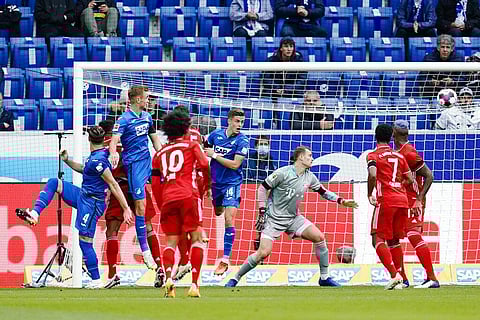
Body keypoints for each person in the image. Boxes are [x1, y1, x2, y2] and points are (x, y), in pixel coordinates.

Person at [16, 126, 133, 289]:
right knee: (54, 182)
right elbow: (84, 169)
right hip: (83, 195)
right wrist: (67, 160)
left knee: (84, 241)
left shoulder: (97, 161)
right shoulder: (98, 156)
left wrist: (126, 207)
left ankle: (96, 280)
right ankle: (35, 213)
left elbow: (113, 183)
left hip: (92, 203)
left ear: (88, 139)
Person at [225, 146, 358, 288]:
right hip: (273, 219)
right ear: (300, 157)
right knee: (263, 252)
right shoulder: (283, 173)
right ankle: (235, 278)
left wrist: (341, 200)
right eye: (309, 155)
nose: (312, 158)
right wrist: (262, 212)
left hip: (294, 218)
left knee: (319, 237)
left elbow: (323, 192)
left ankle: (324, 277)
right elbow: (262, 188)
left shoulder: (309, 176)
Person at [98, 120, 165, 289]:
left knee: (112, 230)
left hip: (118, 187)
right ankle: (160, 268)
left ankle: (112, 274)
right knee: (148, 226)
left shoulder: (105, 149)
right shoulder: (132, 140)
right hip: (138, 186)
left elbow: (103, 171)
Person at [151, 110, 211, 298]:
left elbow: (155, 184)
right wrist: (208, 186)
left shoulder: (159, 153)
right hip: (188, 196)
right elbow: (205, 165)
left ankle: (169, 278)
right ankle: (194, 284)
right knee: (197, 239)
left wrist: (162, 204)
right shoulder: (192, 146)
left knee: (170, 242)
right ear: (185, 128)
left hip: (168, 199)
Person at [109, 85, 163, 270]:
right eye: (146, 98)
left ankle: (156, 260)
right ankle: (145, 251)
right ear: (138, 99)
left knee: (149, 205)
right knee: (140, 206)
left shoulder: (148, 118)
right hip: (133, 167)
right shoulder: (123, 120)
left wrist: (164, 156)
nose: (149, 100)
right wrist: (113, 153)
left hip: (147, 163)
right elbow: (114, 140)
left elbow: (155, 140)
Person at [367, 124, 416, 290]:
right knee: (394, 240)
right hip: (402, 201)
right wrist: (398, 185)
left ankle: (394, 275)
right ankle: (403, 278)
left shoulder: (373, 155)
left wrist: (369, 193)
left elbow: (373, 174)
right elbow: (410, 179)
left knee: (377, 238)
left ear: (375, 136)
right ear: (390, 138)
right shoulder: (399, 156)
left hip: (386, 200)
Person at [392, 120, 440, 289]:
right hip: (400, 200)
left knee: (413, 235)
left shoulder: (409, 153)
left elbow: (429, 175)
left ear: (394, 134)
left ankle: (432, 278)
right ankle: (403, 280)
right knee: (392, 237)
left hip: (412, 201)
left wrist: (419, 199)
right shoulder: (397, 152)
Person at [204, 108, 249, 276]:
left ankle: (224, 259)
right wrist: (206, 183)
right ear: (229, 120)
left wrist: (214, 155)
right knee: (218, 211)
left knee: (229, 217)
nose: (239, 125)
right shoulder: (215, 135)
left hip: (232, 182)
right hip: (216, 183)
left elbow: (235, 165)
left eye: (242, 122)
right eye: (237, 121)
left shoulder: (242, 140)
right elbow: (203, 149)